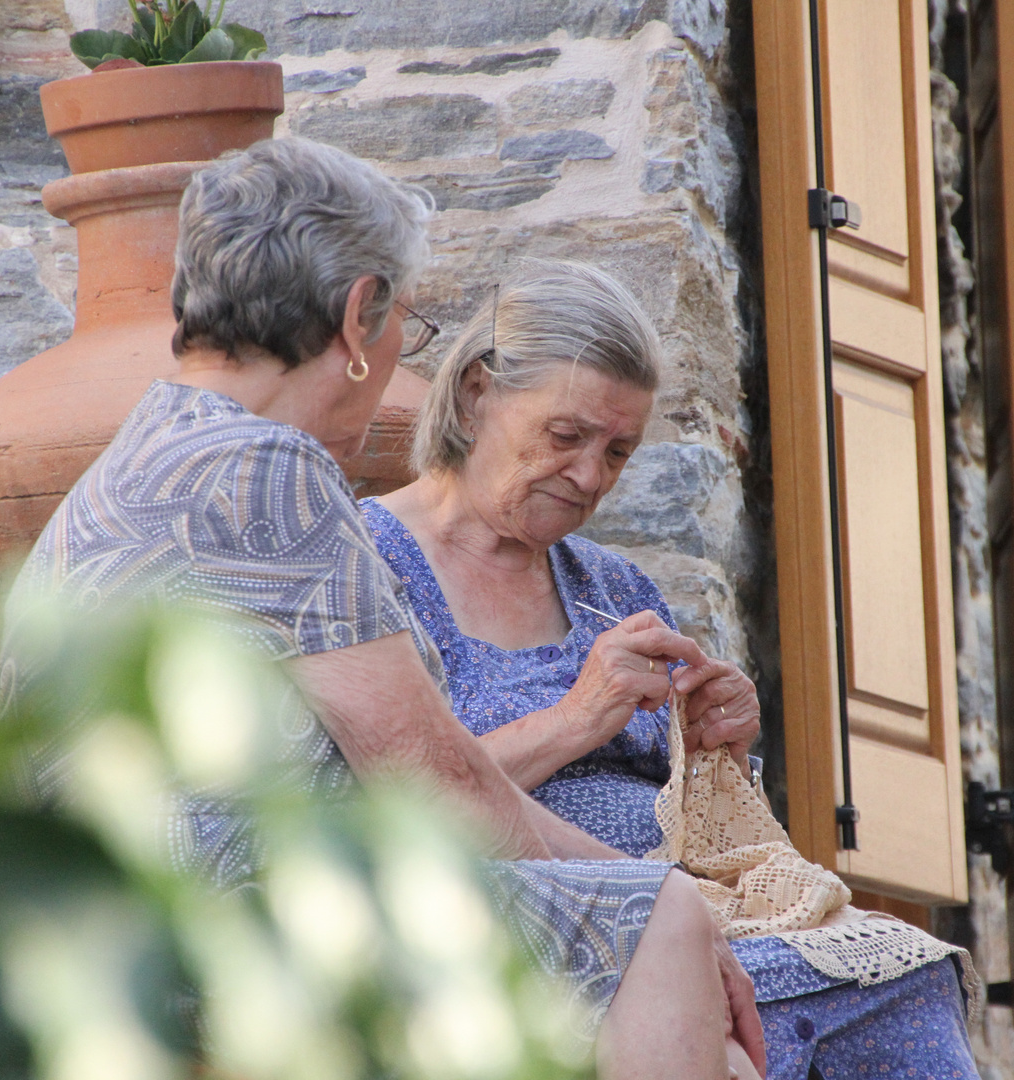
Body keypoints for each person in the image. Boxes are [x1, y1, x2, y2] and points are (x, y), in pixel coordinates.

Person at [0, 140, 764, 1080]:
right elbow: (432, 783)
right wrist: (660, 901)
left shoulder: (148, 454)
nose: (406, 351)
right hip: (224, 943)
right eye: (409, 319)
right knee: (665, 926)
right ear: (360, 317)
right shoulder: (266, 470)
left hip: (137, 932)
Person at [363, 261, 982, 1080]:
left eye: (617, 451)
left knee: (909, 972)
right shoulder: (368, 567)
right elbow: (375, 807)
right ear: (478, 392)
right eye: (565, 436)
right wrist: (577, 720)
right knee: (759, 1016)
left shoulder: (610, 587)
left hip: (683, 911)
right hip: (517, 915)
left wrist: (716, 745)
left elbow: (696, 818)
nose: (590, 476)